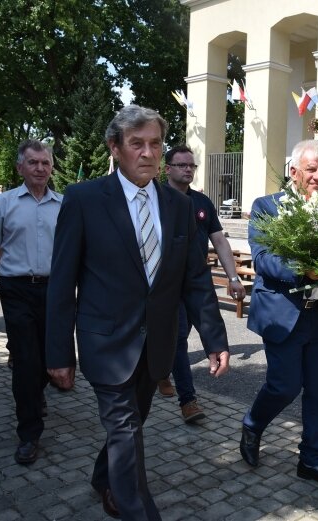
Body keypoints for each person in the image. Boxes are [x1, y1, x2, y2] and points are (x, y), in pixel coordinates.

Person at [45, 105, 230, 520]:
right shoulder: (84, 199)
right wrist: (58, 353)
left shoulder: (180, 206)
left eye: (155, 144)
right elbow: (62, 283)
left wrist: (215, 339)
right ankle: (138, 510)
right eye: (136, 144)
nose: (148, 153)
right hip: (105, 342)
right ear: (115, 148)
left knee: (133, 421)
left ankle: (102, 477)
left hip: (158, 345)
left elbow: (195, 279)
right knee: (126, 429)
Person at [239, 140, 318, 490]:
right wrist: (304, 269)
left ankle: (312, 460)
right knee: (285, 386)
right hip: (284, 313)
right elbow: (263, 259)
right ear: (294, 171)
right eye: (312, 169)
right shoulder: (266, 207)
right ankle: (253, 424)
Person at [0, 139, 63, 466]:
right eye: (33, 162)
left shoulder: (64, 205)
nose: (40, 168)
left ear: (52, 167)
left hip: (54, 291)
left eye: (45, 163)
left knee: (49, 356)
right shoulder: (3, 204)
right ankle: (28, 433)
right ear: (20, 167)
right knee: (25, 359)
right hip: (16, 289)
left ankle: (36, 390)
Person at [161, 144, 246, 423]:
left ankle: (167, 376)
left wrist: (233, 277)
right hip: (166, 283)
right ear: (167, 169)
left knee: (177, 337)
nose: (188, 169)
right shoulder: (156, 199)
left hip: (196, 280)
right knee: (177, 337)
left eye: (191, 165)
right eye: (182, 165)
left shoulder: (202, 202)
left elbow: (219, 240)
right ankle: (188, 399)